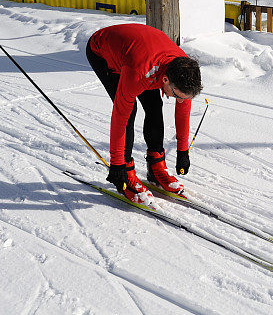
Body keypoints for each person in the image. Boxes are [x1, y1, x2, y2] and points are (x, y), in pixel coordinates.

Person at [86, 24, 202, 203]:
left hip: (142, 50)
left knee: (155, 105)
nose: (181, 101)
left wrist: (182, 151)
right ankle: (126, 170)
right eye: (178, 96)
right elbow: (120, 118)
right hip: (103, 51)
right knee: (129, 111)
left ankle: (156, 166)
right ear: (165, 80)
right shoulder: (139, 73)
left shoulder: (183, 72)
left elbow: (182, 114)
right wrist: (117, 164)